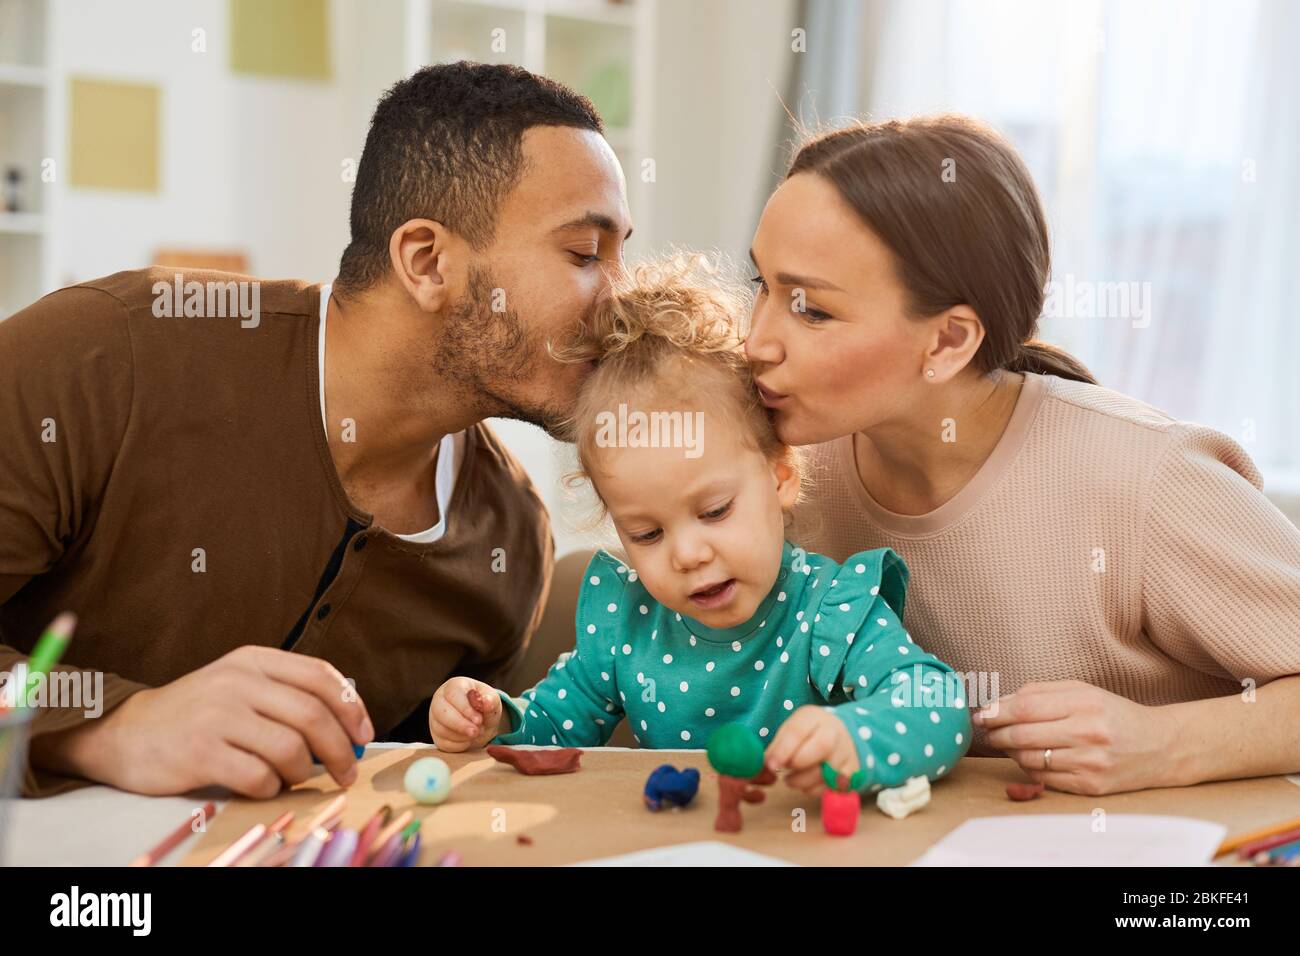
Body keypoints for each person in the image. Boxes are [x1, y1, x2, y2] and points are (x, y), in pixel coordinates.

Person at [0, 62, 632, 798]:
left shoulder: (510, 543)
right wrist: (112, 726)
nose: (624, 301)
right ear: (427, 261)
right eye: (586, 255)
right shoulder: (106, 357)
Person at [746, 114, 1300, 794]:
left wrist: (1164, 745)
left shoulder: (1147, 476)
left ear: (949, 341)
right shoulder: (784, 473)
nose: (757, 343)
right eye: (761, 288)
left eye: (811, 311)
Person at [428, 257, 971, 792]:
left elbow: (938, 705)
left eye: (714, 512)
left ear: (780, 477)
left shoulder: (829, 613)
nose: (687, 554)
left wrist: (856, 736)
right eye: (646, 534)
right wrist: (493, 717)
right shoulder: (628, 622)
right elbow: (547, 733)